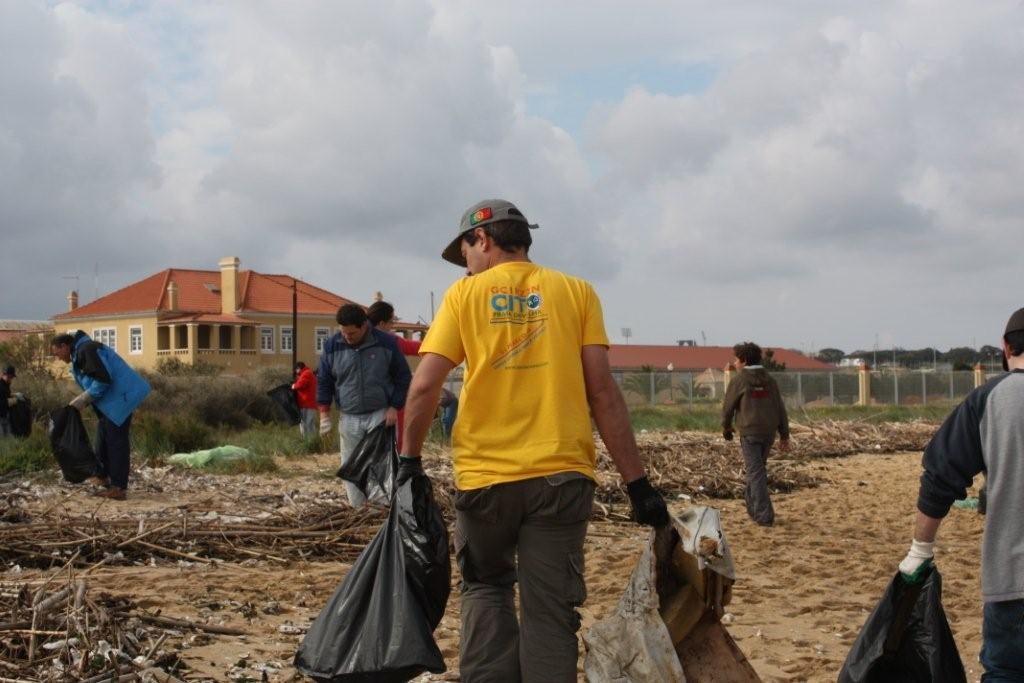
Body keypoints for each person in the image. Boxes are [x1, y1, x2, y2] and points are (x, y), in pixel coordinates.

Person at [397, 199, 670, 682]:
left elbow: (424, 387)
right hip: (561, 478)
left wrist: (408, 463)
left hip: (485, 480)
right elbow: (602, 392)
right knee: (550, 608)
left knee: (486, 589)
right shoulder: (576, 292)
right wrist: (638, 484)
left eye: (465, 254)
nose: (466, 266)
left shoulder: (463, 296)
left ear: (483, 239)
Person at [898, 307, 1024, 680]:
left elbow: (940, 475)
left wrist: (920, 551)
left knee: (1007, 672)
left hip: (1013, 581)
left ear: (1005, 347)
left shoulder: (990, 399)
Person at [316, 303, 412, 507]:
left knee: (382, 465)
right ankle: (358, 509)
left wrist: (395, 407)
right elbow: (324, 380)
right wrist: (324, 414)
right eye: (343, 332)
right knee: (351, 465)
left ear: (364, 326)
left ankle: (383, 509)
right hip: (349, 416)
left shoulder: (386, 343)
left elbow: (403, 377)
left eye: (351, 333)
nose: (347, 337)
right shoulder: (332, 346)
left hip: (380, 415)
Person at [50, 331, 151, 500]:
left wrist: (83, 400)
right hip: (115, 400)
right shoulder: (82, 351)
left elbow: (104, 380)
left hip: (120, 399)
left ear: (64, 346)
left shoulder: (86, 350)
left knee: (116, 443)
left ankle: (119, 487)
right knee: (103, 438)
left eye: (57, 353)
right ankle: (103, 476)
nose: (58, 358)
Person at [721, 341, 790, 527]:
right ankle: (753, 509)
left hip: (750, 432)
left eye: (736, 359)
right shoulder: (770, 380)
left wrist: (726, 427)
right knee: (757, 470)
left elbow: (727, 408)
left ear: (744, 360)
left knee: (755, 472)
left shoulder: (739, 380)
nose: (734, 363)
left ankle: (764, 515)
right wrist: (784, 434)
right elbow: (780, 408)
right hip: (769, 432)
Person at [367, 300, 421, 451]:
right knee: (396, 441)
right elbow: (415, 347)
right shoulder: (390, 341)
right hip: (390, 399)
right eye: (391, 322)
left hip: (362, 404)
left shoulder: (357, 338)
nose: (392, 327)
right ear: (382, 323)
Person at [291, 361, 318, 437]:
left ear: (299, 368)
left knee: (308, 424)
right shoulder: (308, 373)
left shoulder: (306, 373)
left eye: (296, 370)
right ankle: (309, 440)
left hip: (307, 404)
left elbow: (301, 384)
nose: (296, 372)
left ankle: (309, 441)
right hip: (308, 404)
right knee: (307, 424)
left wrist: (293, 386)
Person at [0, 365, 15, 438]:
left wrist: (14, 395)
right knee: (2, 437)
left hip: (5, 415)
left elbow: (6, 395)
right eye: (9, 377)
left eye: (12, 377)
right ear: (4, 374)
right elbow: (2, 401)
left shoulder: (6, 384)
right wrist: (12, 401)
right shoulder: (1, 385)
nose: (11, 379)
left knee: (8, 438)